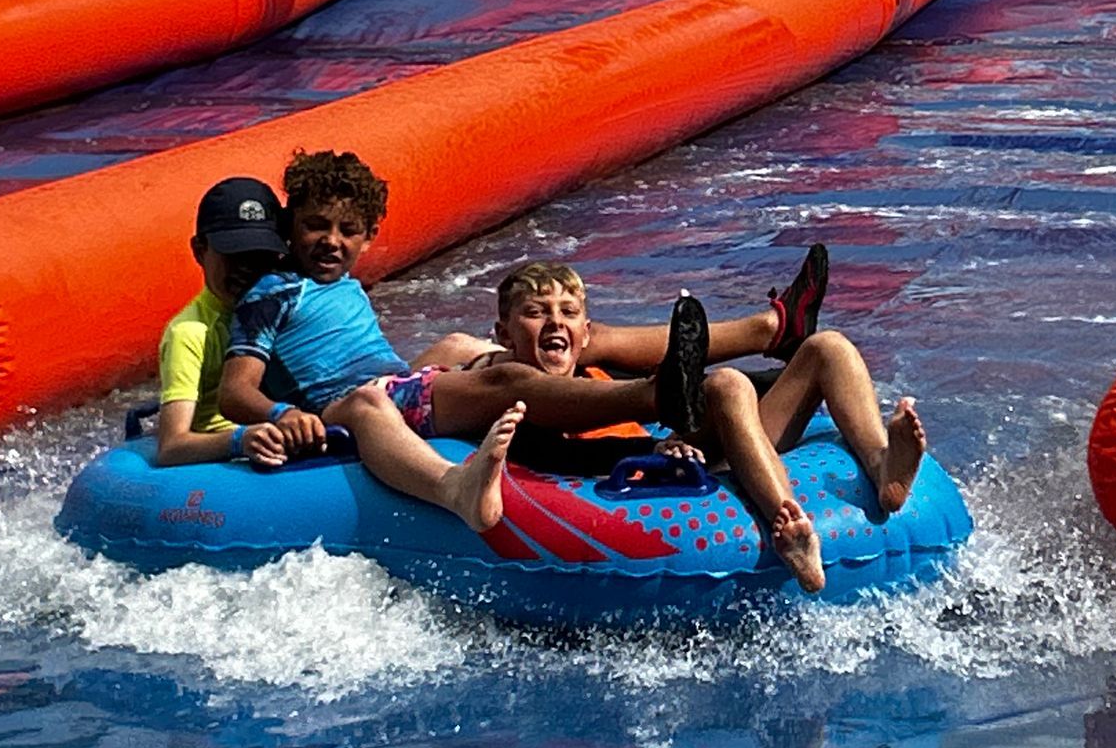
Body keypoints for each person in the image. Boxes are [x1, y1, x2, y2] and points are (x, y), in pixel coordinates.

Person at [215, 147, 730, 514]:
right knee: (504, 385)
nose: (331, 241)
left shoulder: (345, 284)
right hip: (352, 407)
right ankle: (652, 397)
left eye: (347, 231)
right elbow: (236, 392)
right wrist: (284, 415)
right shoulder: (272, 293)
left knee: (488, 356)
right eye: (316, 226)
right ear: (289, 227)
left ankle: (639, 414)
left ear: (369, 238)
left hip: (397, 387)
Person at [481, 258, 927, 595]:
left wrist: (794, 388)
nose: (555, 321)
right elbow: (554, 456)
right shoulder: (514, 396)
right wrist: (649, 456)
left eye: (568, 312)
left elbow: (680, 400)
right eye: (537, 312)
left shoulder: (595, 373)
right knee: (727, 386)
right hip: (658, 480)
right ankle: (790, 525)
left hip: (708, 453)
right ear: (504, 334)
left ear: (586, 330)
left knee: (827, 347)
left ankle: (882, 462)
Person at [153, 176, 293, 469]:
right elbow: (171, 446)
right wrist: (239, 440)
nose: (246, 269)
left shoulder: (285, 309)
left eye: (259, 256)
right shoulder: (190, 333)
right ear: (199, 251)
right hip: (226, 461)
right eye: (233, 255)